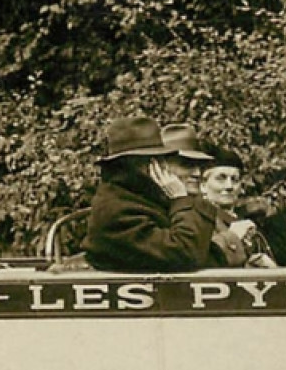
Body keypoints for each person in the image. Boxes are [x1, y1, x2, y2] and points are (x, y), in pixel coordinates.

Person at [82, 117, 219, 273]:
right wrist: (181, 200)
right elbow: (186, 255)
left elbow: (203, 253)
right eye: (156, 160)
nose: (163, 166)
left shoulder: (139, 197)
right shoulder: (116, 209)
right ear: (137, 165)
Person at [163, 124, 277, 268]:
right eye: (186, 165)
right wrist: (232, 238)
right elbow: (187, 260)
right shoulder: (156, 211)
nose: (197, 173)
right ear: (162, 167)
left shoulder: (201, 211)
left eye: (199, 166)